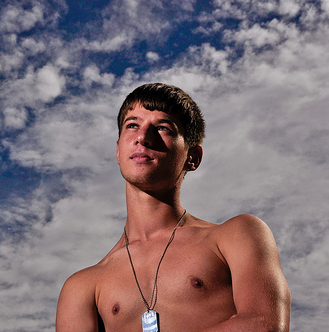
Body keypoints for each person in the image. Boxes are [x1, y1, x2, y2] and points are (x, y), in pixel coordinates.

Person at [56, 83, 291, 331]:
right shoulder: (83, 287)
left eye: (162, 128)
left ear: (193, 157)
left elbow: (264, 325)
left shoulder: (236, 235)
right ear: (118, 150)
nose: (143, 137)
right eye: (132, 125)